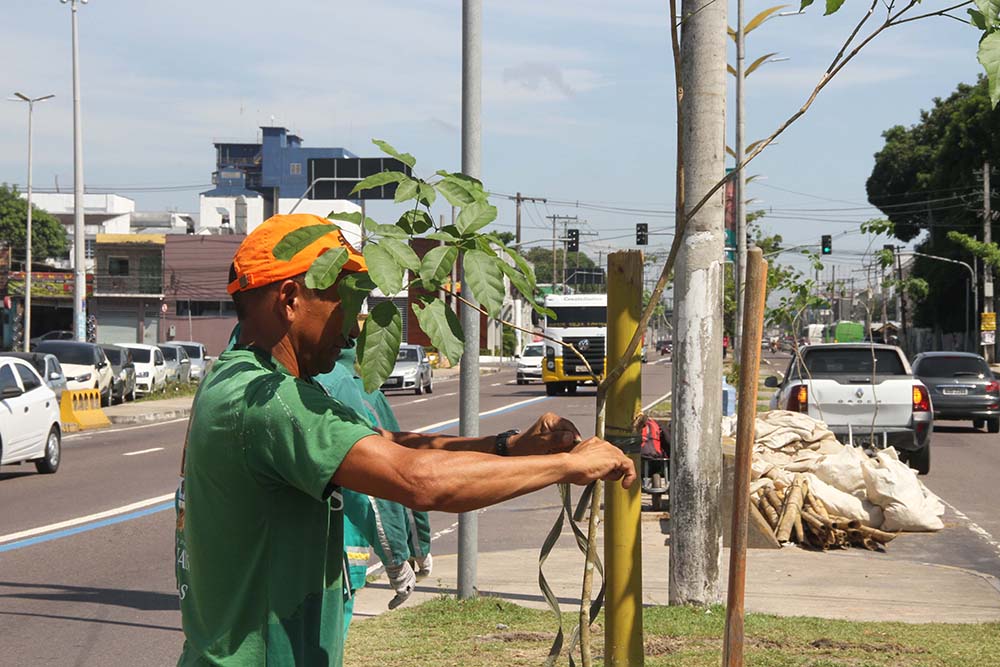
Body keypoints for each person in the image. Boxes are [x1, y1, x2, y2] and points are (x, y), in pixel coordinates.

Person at [174, 213, 635, 666]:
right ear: (291, 298)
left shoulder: (248, 378)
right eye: (342, 305)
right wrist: (567, 467)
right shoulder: (267, 399)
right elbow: (417, 481)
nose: (353, 329)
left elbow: (384, 443)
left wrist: (508, 446)